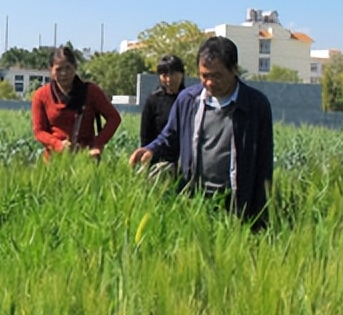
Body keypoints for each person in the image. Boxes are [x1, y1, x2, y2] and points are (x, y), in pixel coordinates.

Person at [129, 36, 273, 228]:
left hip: (236, 203)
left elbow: (264, 162)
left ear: (234, 70)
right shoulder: (188, 100)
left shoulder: (255, 105)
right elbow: (170, 135)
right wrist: (151, 149)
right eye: (204, 76)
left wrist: (261, 214)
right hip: (194, 201)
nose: (210, 82)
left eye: (217, 76)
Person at [31, 45, 122, 160]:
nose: (64, 73)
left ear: (75, 67)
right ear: (51, 70)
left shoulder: (91, 91)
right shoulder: (41, 95)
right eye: (59, 69)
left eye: (68, 68)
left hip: (86, 158)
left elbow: (114, 118)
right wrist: (57, 144)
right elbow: (39, 131)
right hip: (53, 160)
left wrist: (98, 144)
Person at [140, 54, 186, 148]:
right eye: (164, 75)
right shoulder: (153, 100)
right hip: (160, 157)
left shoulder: (189, 99)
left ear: (182, 74)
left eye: (173, 74)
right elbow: (145, 135)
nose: (169, 79)